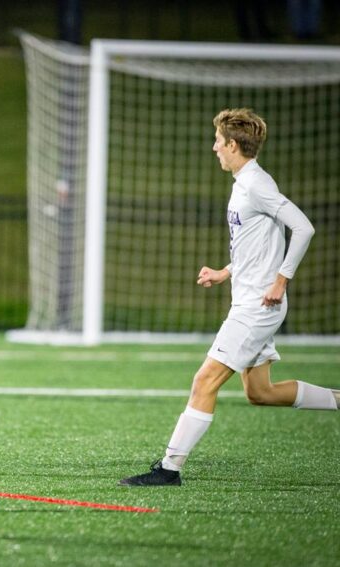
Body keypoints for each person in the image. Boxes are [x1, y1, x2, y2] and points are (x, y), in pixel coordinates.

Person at [120, 108, 339, 487]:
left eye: (219, 143)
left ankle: (169, 469)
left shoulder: (257, 184)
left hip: (258, 307)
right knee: (260, 392)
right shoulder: (243, 183)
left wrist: (281, 280)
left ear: (234, 145)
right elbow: (254, 247)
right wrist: (226, 271)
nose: (214, 148)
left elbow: (304, 228)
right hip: (251, 301)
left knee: (204, 380)